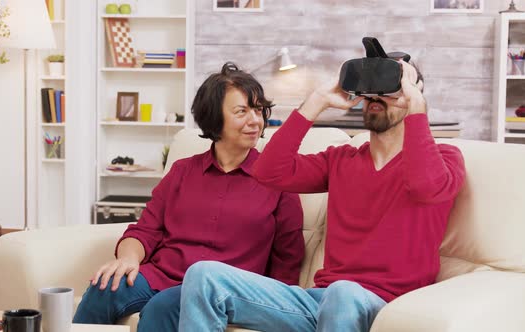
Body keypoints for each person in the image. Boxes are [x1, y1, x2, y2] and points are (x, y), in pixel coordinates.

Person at [178, 60, 466, 332]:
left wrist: (417, 106)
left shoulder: (445, 159)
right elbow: (269, 172)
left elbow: (425, 186)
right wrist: (316, 102)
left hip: (386, 307)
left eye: (391, 90)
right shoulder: (341, 160)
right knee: (204, 276)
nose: (377, 97)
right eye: (372, 90)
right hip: (320, 301)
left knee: (344, 292)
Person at [73, 62, 304, 331]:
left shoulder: (279, 181)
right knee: (104, 288)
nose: (255, 120)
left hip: (218, 289)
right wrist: (127, 259)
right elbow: (145, 230)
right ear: (214, 118)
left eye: (258, 110)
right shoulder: (183, 171)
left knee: (165, 306)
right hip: (161, 275)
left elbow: (287, 261)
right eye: (242, 111)